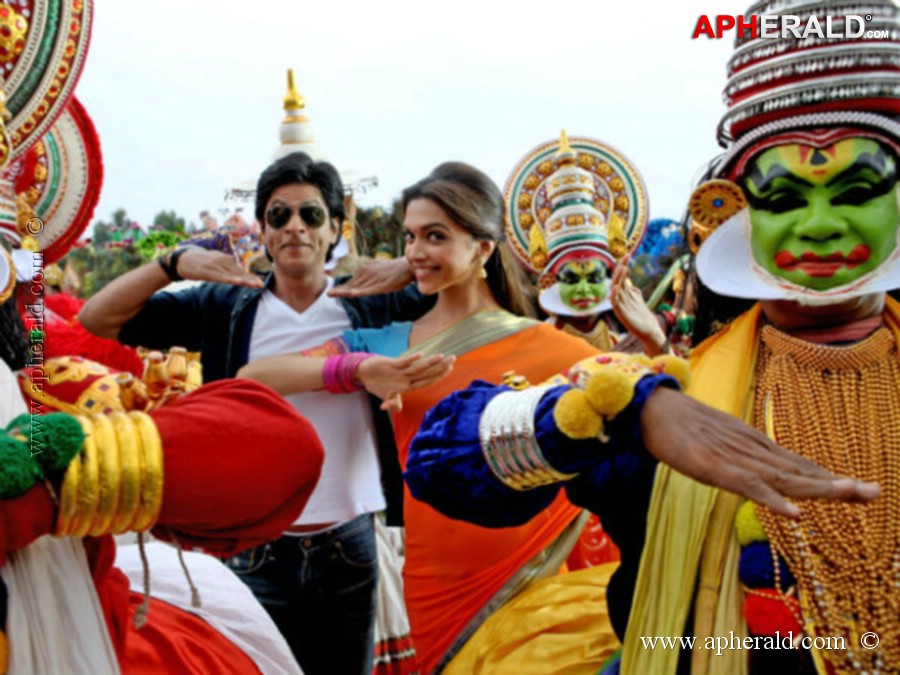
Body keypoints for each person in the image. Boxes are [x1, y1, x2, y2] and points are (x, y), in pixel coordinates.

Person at [402, 1, 900, 673]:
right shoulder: (668, 393)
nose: (819, 225)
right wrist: (625, 408)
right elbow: (437, 462)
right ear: (736, 212)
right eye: (783, 198)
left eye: (857, 189)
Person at [236, 160, 874, 674]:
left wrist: (653, 344)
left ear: (483, 247)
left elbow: (648, 407)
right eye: (409, 236)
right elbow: (255, 376)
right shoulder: (385, 342)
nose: (416, 251)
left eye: (435, 235)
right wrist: (354, 371)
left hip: (540, 577)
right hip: (432, 576)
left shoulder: (555, 348)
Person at [78, 151, 432, 674]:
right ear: (263, 231)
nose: (294, 228)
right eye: (278, 215)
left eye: (311, 215)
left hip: (349, 545)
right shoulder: (225, 306)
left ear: (336, 228)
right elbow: (96, 318)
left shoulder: (371, 304)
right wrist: (170, 264)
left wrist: (409, 263)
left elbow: (477, 270)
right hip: (255, 547)